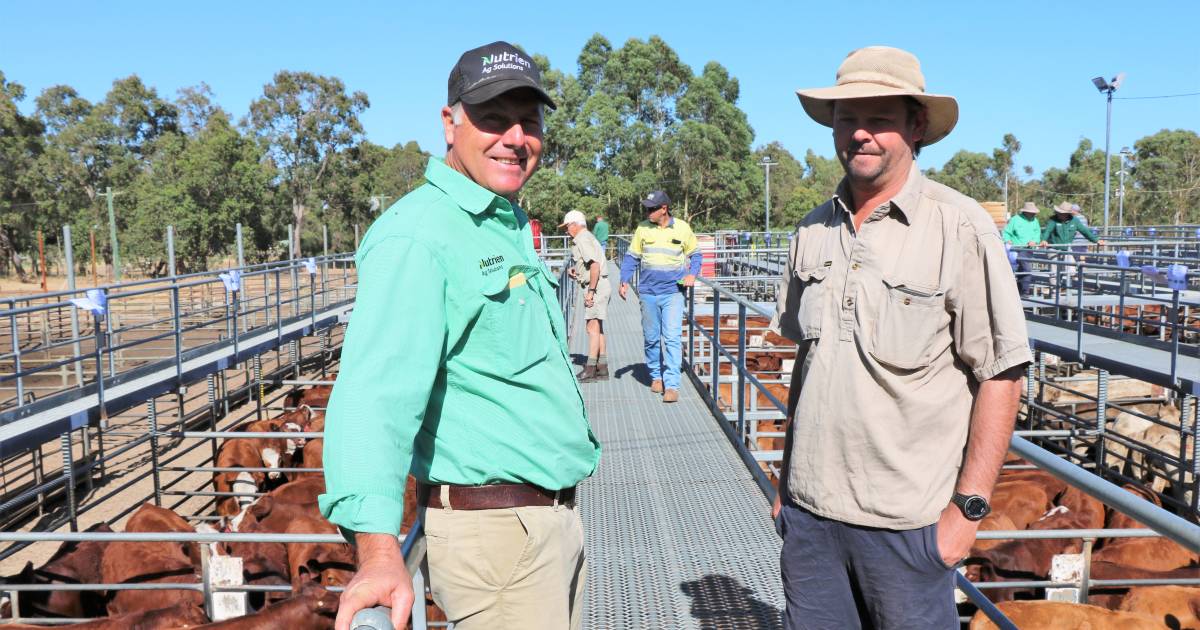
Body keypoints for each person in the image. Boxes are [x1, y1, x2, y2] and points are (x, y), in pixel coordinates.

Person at [320, 41, 600, 630]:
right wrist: (377, 554)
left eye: (530, 121)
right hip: (497, 542)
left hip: (542, 529)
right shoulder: (419, 235)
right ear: (450, 124)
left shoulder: (503, 223)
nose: (515, 137)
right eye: (494, 119)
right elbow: (374, 398)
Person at [772, 46, 1031, 629]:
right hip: (811, 519)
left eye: (881, 119)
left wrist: (966, 512)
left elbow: (1001, 372)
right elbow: (807, 362)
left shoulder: (959, 227)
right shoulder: (813, 229)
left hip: (907, 525)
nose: (861, 133)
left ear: (916, 127)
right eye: (846, 118)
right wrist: (787, 483)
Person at [619, 191, 700, 403]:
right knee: (652, 338)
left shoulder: (682, 228)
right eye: (646, 208)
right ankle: (656, 376)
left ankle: (672, 384)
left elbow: (696, 255)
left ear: (664, 208)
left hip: (673, 291)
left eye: (651, 209)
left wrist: (692, 274)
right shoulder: (642, 229)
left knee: (672, 337)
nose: (648, 212)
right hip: (648, 292)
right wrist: (624, 279)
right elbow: (631, 257)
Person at [561, 209, 611, 381]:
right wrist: (579, 271)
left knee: (591, 327)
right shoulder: (587, 237)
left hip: (595, 287)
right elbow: (590, 263)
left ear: (574, 224)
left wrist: (590, 291)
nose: (566, 230)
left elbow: (595, 265)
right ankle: (602, 367)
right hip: (600, 284)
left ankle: (590, 369)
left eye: (567, 226)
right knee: (598, 326)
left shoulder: (581, 239)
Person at [1041, 201, 1103, 285]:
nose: (1060, 214)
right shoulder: (1053, 220)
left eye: (1063, 213)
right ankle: (1055, 292)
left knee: (1072, 269)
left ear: (1068, 214)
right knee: (1054, 271)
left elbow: (1085, 231)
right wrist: (1044, 240)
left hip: (1066, 249)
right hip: (1054, 248)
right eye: (1059, 212)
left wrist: (1096, 240)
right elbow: (1047, 231)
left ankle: (1067, 288)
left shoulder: (1075, 221)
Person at [1001, 202, 1042, 296]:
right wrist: (1007, 240)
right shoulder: (1015, 219)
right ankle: (1025, 291)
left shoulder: (1035, 221)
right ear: (1025, 212)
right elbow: (1006, 232)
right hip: (1017, 249)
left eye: (1034, 212)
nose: (1033, 214)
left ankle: (1018, 290)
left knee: (1022, 269)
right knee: (1026, 268)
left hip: (1029, 249)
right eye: (1031, 212)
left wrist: (1034, 241)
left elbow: (1037, 233)